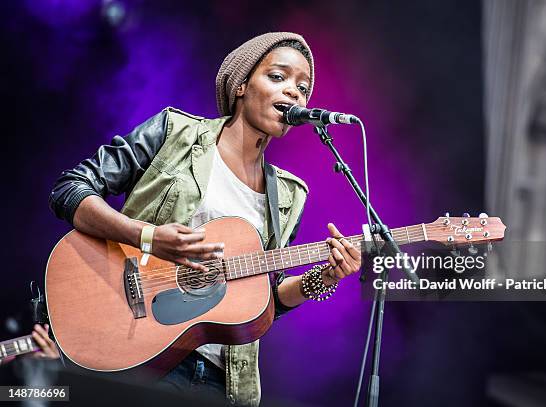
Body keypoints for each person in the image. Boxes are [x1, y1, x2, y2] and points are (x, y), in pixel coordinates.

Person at [49, 32, 361, 406]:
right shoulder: (174, 132)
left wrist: (322, 279)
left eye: (303, 87)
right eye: (278, 77)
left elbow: (263, 302)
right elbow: (70, 189)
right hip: (140, 355)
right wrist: (147, 237)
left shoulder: (291, 195)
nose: (295, 93)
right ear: (241, 83)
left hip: (220, 381)